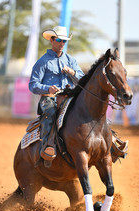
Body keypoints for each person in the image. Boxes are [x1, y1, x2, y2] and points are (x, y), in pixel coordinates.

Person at [29, 26, 84, 167]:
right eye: (59, 40)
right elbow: (33, 84)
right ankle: (47, 146)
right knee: (50, 112)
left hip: (70, 97)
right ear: (52, 40)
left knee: (89, 108)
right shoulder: (42, 62)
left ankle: (110, 141)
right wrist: (48, 88)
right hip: (49, 98)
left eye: (64, 41)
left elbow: (83, 80)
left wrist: (72, 72)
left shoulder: (71, 60)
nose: (61, 43)